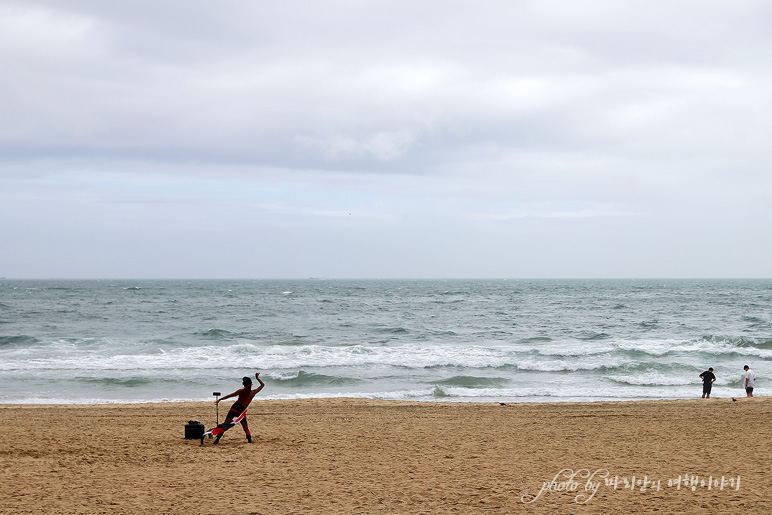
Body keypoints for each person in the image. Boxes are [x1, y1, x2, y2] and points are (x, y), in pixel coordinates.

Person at [203, 372, 264, 445]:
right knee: (245, 427)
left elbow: (230, 395)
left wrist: (220, 399)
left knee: (225, 425)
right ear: (251, 384)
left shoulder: (241, 391)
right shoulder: (253, 393)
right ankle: (249, 440)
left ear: (243, 384)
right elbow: (262, 385)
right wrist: (257, 378)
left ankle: (217, 441)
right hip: (241, 412)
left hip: (234, 409)